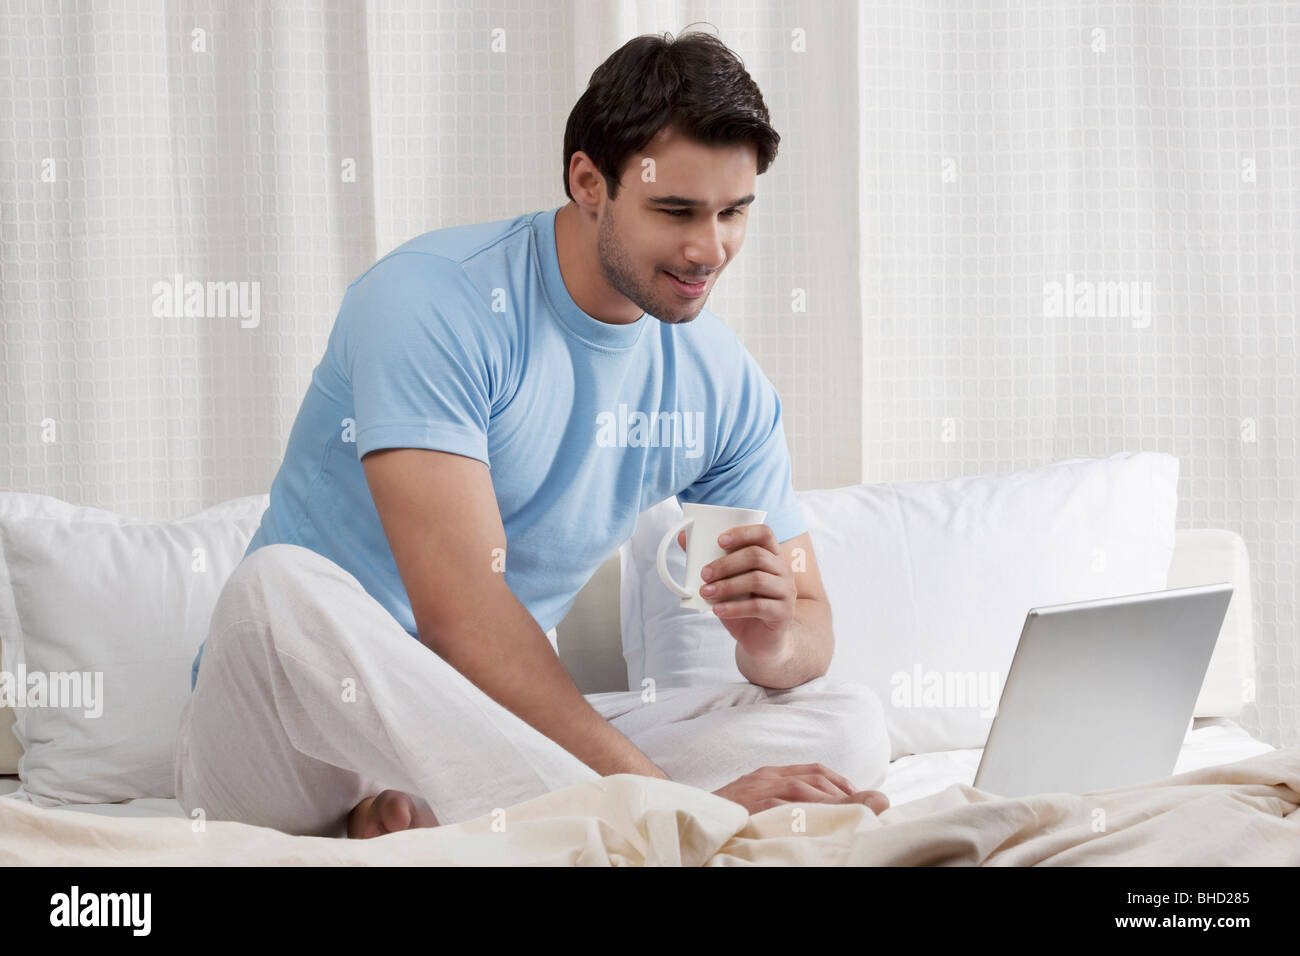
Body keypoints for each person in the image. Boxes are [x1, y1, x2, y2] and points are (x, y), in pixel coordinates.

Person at [175, 29, 891, 841]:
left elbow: (808, 623)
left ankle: (459, 822)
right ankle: (663, 827)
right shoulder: (432, 304)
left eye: (733, 213)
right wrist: (677, 803)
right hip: (291, 742)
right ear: (589, 181)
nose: (708, 249)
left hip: (479, 739)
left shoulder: (721, 383)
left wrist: (772, 639)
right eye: (676, 210)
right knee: (278, 590)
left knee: (848, 726)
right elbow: (464, 618)